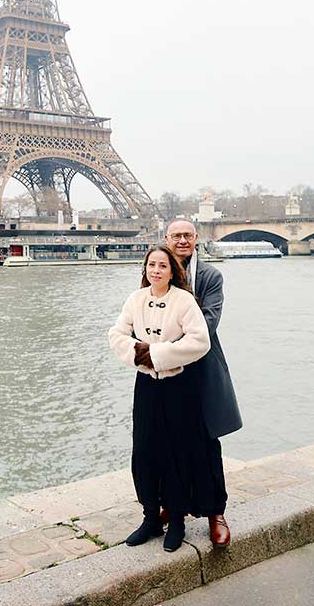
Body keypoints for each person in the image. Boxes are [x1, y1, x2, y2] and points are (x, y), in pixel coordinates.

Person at [108, 244, 213, 552]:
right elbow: (115, 335)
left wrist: (158, 354)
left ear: (172, 271)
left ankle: (177, 519)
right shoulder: (135, 299)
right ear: (145, 269)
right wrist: (140, 356)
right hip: (146, 386)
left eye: (162, 266)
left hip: (177, 387)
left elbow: (200, 341)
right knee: (144, 450)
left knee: (176, 452)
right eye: (151, 265)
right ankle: (151, 515)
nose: (156, 270)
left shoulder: (184, 301)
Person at [164, 219, 243, 548]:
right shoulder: (158, 270)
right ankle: (175, 505)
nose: (182, 240)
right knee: (170, 441)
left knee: (207, 441)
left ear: (196, 239)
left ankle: (215, 512)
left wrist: (169, 343)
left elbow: (208, 322)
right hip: (167, 368)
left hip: (200, 366)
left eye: (187, 235)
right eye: (176, 236)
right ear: (166, 239)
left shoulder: (210, 275)